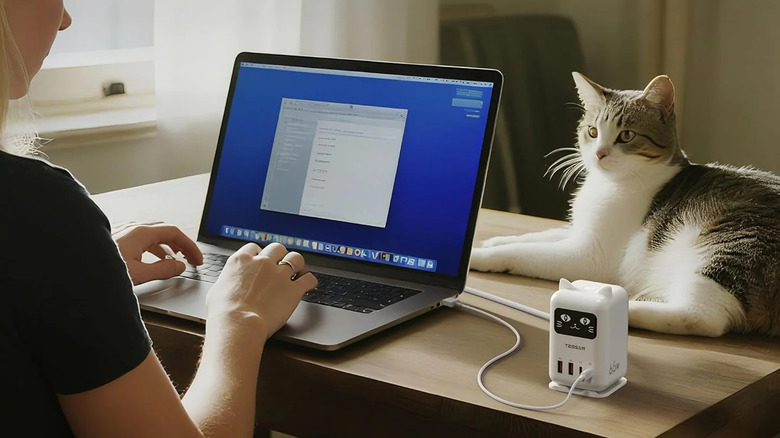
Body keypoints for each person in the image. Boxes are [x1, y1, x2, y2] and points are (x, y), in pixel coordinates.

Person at [0, 1, 317, 437]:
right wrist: (240, 319)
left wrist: (82, 274)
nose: (64, 19)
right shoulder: (37, 212)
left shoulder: (38, 232)